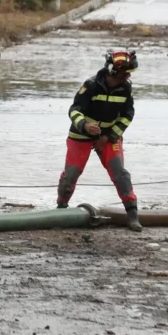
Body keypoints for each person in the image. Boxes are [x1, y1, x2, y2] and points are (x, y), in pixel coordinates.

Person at [57, 50, 142, 232]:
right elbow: (74, 110)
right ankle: (60, 209)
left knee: (120, 173)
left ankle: (132, 216)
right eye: (125, 72)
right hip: (81, 136)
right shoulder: (90, 86)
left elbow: (128, 116)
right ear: (112, 71)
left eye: (129, 73)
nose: (127, 76)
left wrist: (108, 137)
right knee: (71, 173)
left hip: (108, 136)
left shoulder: (125, 88)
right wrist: (85, 126)